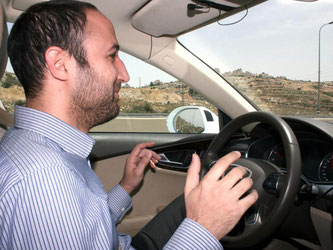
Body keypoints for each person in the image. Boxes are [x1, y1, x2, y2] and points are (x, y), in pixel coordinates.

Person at [0, 1, 258, 249]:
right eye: (112, 56)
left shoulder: (34, 145)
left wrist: (126, 186)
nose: (125, 74)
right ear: (60, 64)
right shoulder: (45, 180)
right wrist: (205, 228)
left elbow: (85, 231)